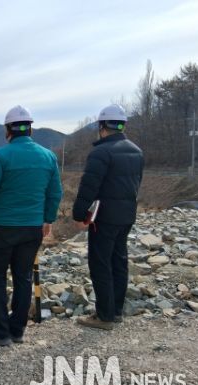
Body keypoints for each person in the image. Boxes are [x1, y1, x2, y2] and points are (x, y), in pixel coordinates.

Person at [0, 105, 63, 346]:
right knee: (23, 277)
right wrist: (48, 219)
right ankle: (17, 330)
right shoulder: (48, 157)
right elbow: (55, 193)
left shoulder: (0, 156)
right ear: (30, 129)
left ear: (8, 130)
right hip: (33, 228)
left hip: (2, 227)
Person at [73, 104, 144, 330]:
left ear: (102, 126)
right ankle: (116, 311)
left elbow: (89, 187)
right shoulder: (137, 151)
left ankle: (104, 317)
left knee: (100, 264)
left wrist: (78, 214)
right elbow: (136, 184)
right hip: (127, 216)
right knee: (119, 261)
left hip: (104, 218)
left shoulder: (101, 152)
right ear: (122, 125)